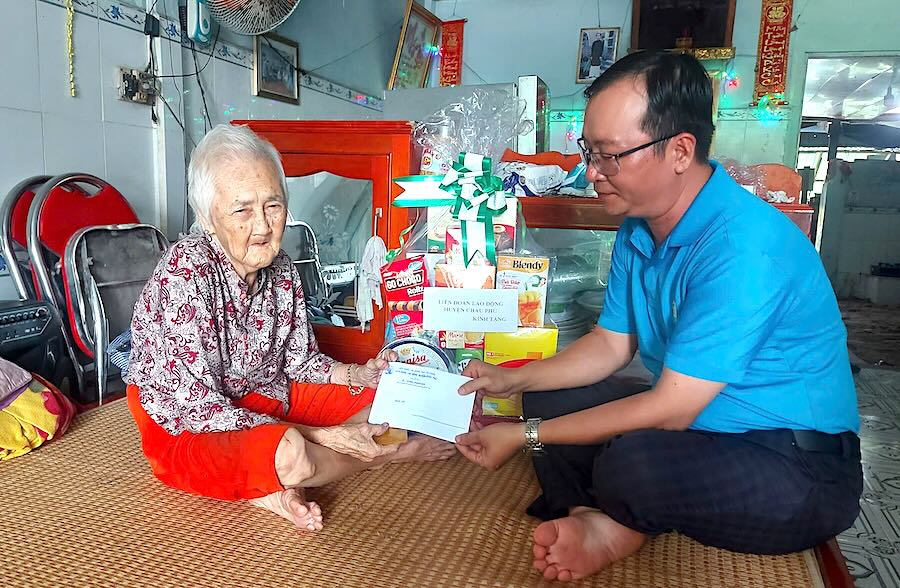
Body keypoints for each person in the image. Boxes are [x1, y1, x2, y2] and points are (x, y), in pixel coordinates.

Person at [455, 50, 861, 582]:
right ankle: (596, 517)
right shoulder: (638, 224)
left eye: (609, 155)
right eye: (589, 151)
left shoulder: (744, 247)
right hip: (702, 424)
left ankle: (618, 522)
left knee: (630, 463)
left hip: (795, 458)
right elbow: (609, 345)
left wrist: (524, 435)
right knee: (551, 397)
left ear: (679, 150)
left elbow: (669, 409)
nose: (591, 172)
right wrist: (514, 378)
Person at [126, 124, 455, 532]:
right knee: (292, 453)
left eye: (273, 205)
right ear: (210, 218)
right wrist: (326, 435)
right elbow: (200, 409)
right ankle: (382, 456)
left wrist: (358, 373)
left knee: (389, 398)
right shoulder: (186, 272)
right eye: (242, 210)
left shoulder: (280, 267)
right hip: (183, 424)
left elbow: (301, 363)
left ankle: (269, 488)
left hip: (264, 398)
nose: (263, 226)